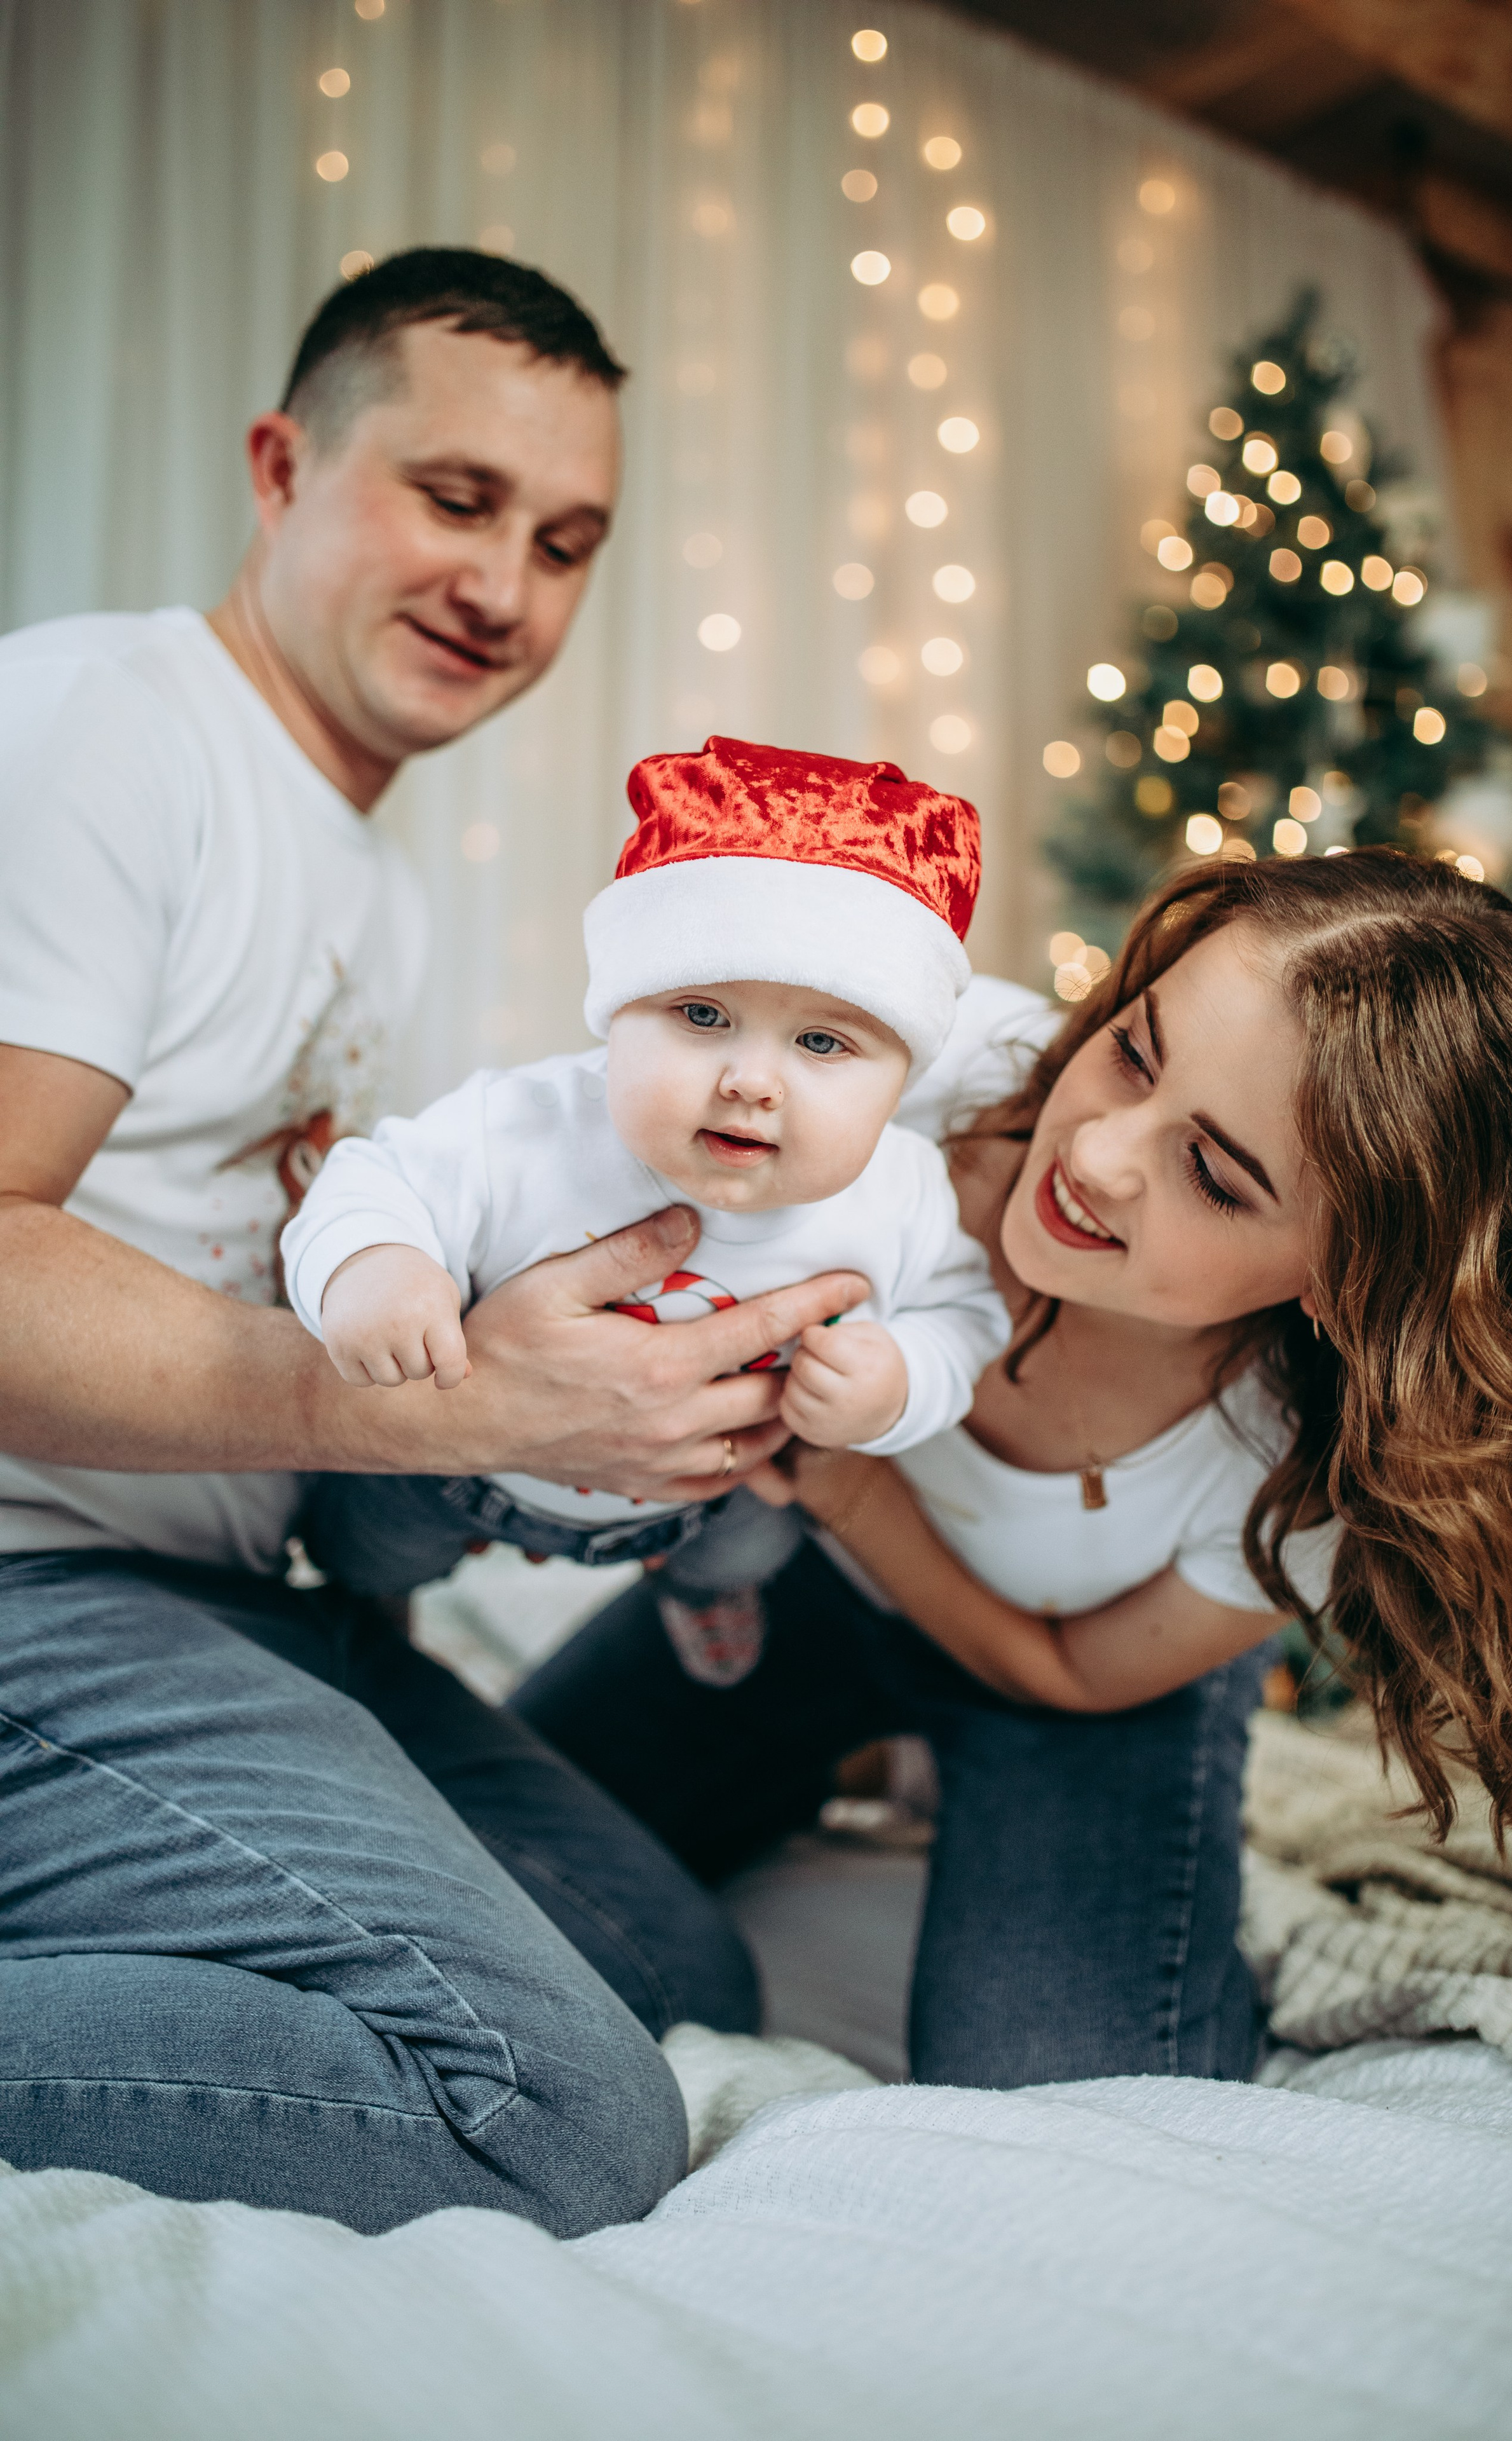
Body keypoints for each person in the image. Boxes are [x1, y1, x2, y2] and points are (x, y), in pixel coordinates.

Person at [0, 249, 867, 2235]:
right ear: (281, 463)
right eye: (456, 501)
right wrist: (455, 1403)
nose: (507, 589)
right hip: (38, 1583)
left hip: (247, 1590)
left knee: (681, 1975)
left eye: (566, 543)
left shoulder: (374, 876)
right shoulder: (102, 732)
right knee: (552, 2115)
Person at [514, 847, 1512, 2086]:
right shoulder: (921, 1073)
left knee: (1070, 2095)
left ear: (1345, 1284)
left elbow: (1072, 1674)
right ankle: (864, 1751)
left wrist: (845, 1487)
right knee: (503, 1883)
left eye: (1212, 1172)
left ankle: (915, 1762)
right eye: (1133, 1052)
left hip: (1071, 1690)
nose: (1095, 1153)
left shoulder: (1311, 1475)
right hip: (808, 1588)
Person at [284, 736, 1009, 1682]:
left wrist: (901, 1379)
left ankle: (701, 1591)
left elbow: (967, 1316)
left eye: (824, 1042)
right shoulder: (525, 1127)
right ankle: (366, 1615)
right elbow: (370, 1182)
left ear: (901, 1077)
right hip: (458, 1466)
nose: (751, 1080)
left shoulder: (905, 1193)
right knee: (367, 1539)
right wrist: (377, 1267)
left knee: (758, 1542)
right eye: (702, 1016)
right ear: (616, 1014)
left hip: (701, 1496)